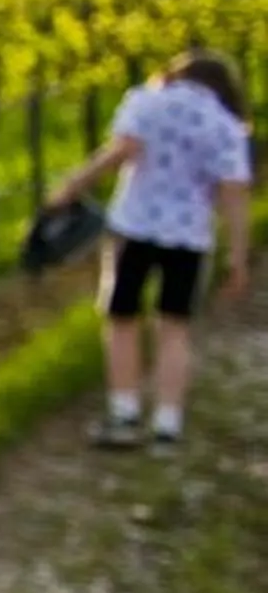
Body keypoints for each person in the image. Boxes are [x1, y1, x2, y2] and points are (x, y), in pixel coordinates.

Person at [44, 49, 254, 450]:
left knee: (122, 319)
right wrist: (238, 257)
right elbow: (233, 194)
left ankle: (124, 414)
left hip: (134, 226)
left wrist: (72, 187)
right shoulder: (225, 125)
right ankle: (167, 424)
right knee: (174, 327)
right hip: (189, 236)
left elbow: (118, 153)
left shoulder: (147, 102)